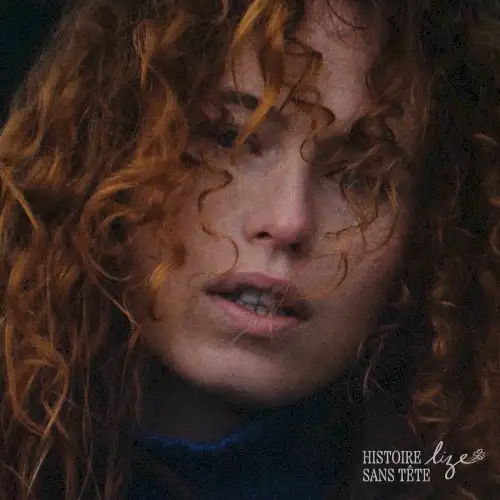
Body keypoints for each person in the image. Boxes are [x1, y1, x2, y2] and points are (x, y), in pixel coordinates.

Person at [0, 0, 499, 498]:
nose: (288, 222)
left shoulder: (452, 477)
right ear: (108, 150)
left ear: (433, 227)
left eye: (359, 174)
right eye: (229, 139)